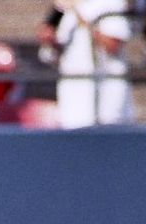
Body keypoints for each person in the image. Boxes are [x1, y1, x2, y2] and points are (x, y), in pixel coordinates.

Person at [41, 0, 135, 129]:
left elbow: (113, 45)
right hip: (74, 98)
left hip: (106, 100)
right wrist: (51, 40)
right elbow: (54, 56)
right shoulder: (64, 10)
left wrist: (81, 15)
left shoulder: (112, 3)